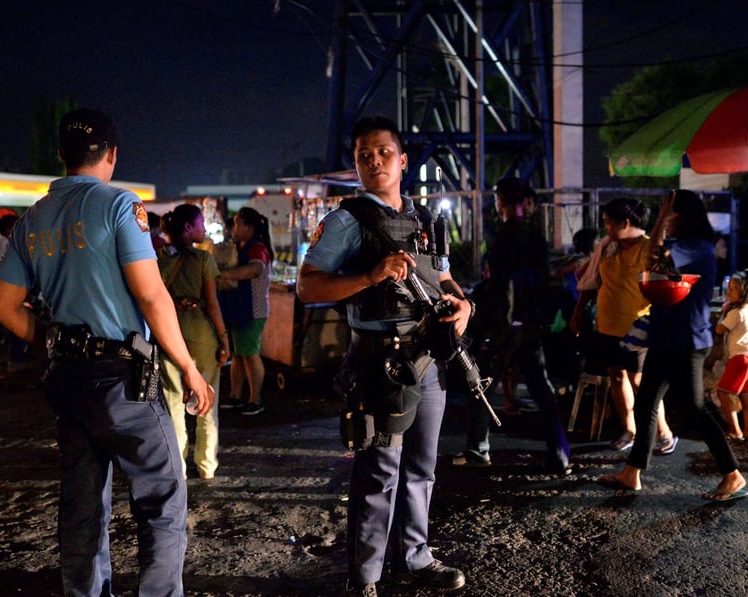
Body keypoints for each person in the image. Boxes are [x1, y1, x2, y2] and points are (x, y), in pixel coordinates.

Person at [0, 108, 215, 595]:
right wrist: (191, 370)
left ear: (60, 156)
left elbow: (2, 307)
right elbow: (152, 296)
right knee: (162, 502)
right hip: (121, 379)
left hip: (66, 380)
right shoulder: (118, 205)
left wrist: (53, 339)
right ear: (111, 154)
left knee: (83, 506)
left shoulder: (32, 219)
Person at [296, 115, 468, 596]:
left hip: (429, 358)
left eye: (383, 151)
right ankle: (365, 578)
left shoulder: (424, 218)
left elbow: (443, 277)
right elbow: (308, 286)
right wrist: (371, 276)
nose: (374, 160)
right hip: (379, 361)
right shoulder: (346, 221)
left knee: (421, 469)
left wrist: (464, 302)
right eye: (363, 154)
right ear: (356, 164)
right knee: (378, 473)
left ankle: (414, 559)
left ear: (403, 160)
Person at [600, 189, 748, 502]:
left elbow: (652, 254)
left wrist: (662, 219)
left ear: (685, 216)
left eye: (671, 214)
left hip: (686, 341)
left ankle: (732, 474)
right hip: (665, 336)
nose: (665, 222)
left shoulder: (698, 248)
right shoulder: (684, 246)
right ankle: (632, 473)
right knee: (645, 404)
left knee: (694, 410)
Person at [453, 177, 571, 473]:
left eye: (497, 199)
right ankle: (560, 454)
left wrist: (492, 321)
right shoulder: (536, 237)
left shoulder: (503, 238)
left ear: (503, 202)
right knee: (542, 390)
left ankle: (478, 450)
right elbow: (543, 283)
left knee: (481, 384)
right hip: (529, 322)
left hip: (505, 324)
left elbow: (500, 286)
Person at [571, 198, 676, 455]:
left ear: (625, 223)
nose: (605, 228)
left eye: (608, 222)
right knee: (617, 377)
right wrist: (578, 312)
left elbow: (665, 280)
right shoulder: (607, 247)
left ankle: (664, 433)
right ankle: (630, 430)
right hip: (607, 325)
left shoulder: (646, 248)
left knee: (641, 382)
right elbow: (590, 281)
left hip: (638, 327)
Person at [157, 204, 231, 480]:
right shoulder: (203, 259)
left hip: (168, 335)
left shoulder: (157, 258)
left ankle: (177, 467)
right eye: (200, 223)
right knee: (206, 400)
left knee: (173, 403)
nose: (203, 229)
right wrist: (224, 340)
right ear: (188, 228)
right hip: (201, 334)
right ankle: (206, 466)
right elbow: (212, 305)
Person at [217, 207, 273, 416]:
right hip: (239, 309)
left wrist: (222, 274)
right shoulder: (240, 247)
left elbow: (254, 270)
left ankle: (255, 399)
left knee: (249, 355)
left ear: (249, 228)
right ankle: (236, 396)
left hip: (252, 311)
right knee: (239, 356)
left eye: (238, 223)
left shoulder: (257, 248)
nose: (234, 227)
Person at [714, 269, 748, 441]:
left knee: (723, 392)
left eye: (734, 288)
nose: (729, 291)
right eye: (729, 287)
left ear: (745, 291)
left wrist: (723, 312)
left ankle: (735, 429)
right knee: (745, 395)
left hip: (741, 358)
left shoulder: (736, 312)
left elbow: (720, 329)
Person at [0, 214, 29, 380]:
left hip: (2, 295)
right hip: (6, 295)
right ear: (10, 228)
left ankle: (4, 364)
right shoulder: (5, 246)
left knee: (5, 332)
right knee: (3, 332)